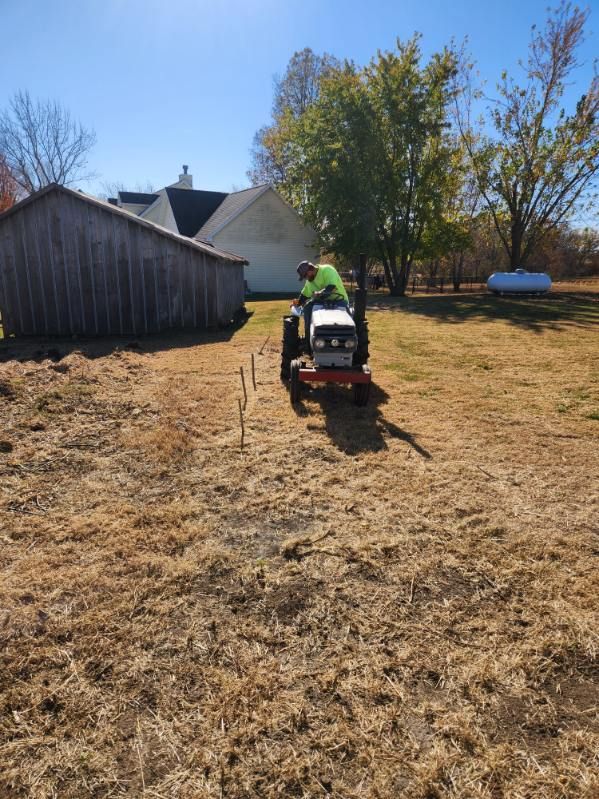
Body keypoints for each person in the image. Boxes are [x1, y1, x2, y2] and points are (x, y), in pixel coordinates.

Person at [291, 261, 350, 351]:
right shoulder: (310, 281)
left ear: (310, 269)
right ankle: (309, 343)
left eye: (305, 275)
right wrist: (298, 302)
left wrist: (319, 293)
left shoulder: (327, 270)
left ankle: (348, 343)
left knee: (348, 320)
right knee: (307, 308)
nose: (306, 278)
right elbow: (305, 294)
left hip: (339, 301)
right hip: (321, 303)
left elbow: (332, 287)